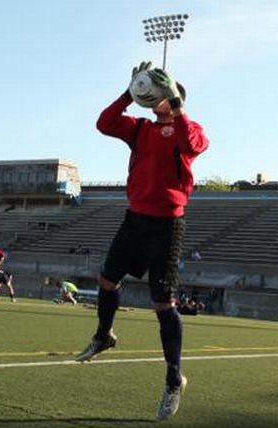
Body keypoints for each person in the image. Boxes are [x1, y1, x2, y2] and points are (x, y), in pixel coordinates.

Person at [74, 61, 209, 420]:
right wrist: (128, 91)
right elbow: (103, 123)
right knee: (106, 278)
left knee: (163, 304)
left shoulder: (191, 127)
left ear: (173, 97)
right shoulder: (140, 129)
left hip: (166, 226)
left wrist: (177, 105)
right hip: (135, 219)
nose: (153, 97)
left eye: (159, 92)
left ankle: (172, 379)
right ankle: (104, 335)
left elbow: (191, 144)